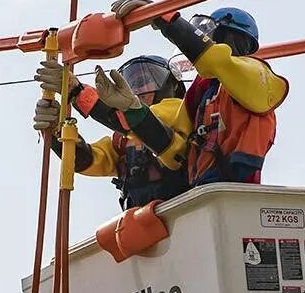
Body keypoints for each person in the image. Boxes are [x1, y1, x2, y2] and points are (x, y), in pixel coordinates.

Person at [111, 0, 287, 187]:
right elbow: (173, 146)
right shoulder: (202, 93)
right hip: (203, 192)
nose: (205, 41)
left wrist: (166, 20)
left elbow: (217, 61)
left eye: (210, 35)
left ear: (230, 38)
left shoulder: (259, 77)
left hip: (236, 191)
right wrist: (133, 111)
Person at [30, 52, 193, 210]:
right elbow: (87, 160)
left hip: (186, 205)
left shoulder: (178, 109)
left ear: (172, 84)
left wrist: (77, 91)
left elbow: (143, 122)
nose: (138, 90)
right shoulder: (123, 140)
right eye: (132, 85)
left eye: (144, 80)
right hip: (144, 221)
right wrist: (57, 133)